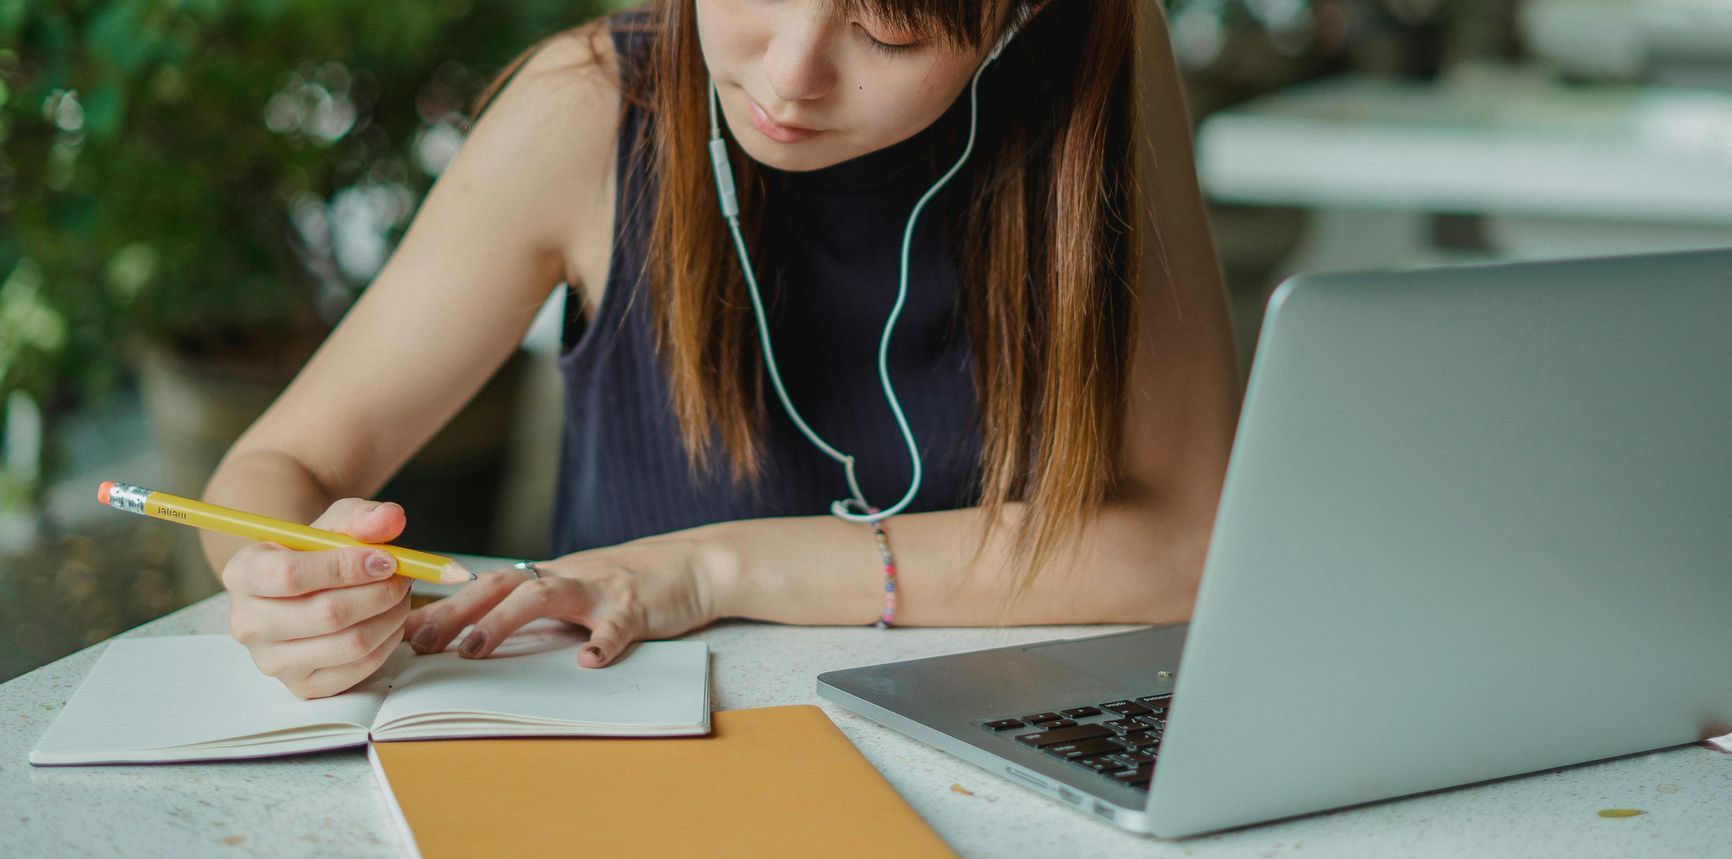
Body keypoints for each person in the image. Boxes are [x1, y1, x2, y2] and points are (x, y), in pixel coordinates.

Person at [200, 0, 1238, 699]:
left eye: (888, 33)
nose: (790, 78)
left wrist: (708, 569)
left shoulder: (1093, 71)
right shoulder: (588, 108)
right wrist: (289, 587)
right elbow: (279, 466)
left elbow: (1187, 549)